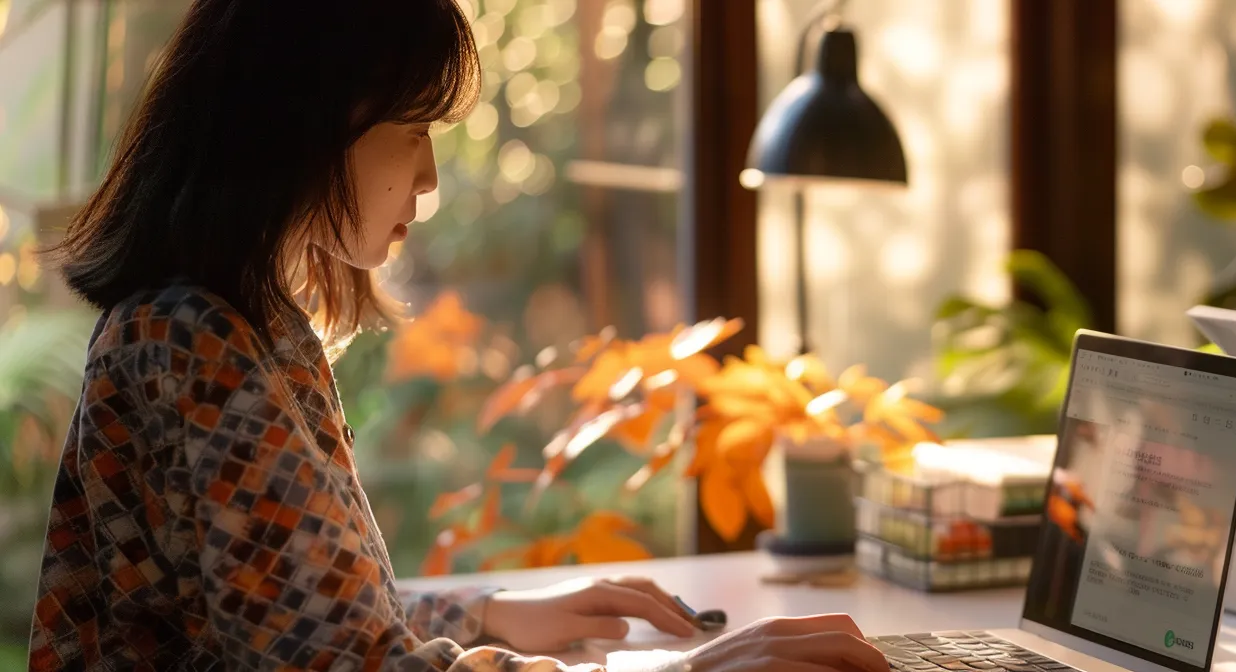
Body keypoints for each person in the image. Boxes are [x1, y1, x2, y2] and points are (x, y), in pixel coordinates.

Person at [26, 1, 887, 670]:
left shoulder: (240, 322)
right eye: (411, 134)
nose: (430, 178)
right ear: (304, 128)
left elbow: (294, 621)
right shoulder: (193, 339)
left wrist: (485, 613)